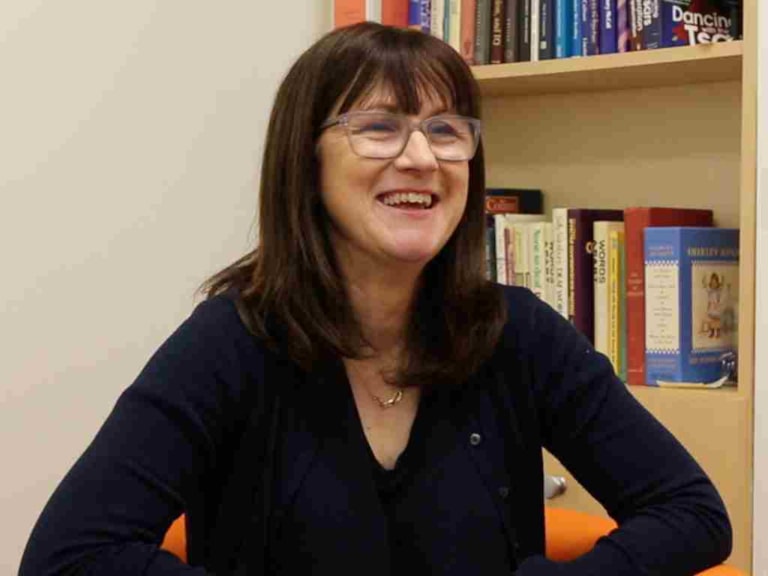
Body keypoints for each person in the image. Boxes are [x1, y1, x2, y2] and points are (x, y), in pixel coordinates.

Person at [19, 22, 731, 576]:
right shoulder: (232, 341)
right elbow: (70, 557)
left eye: (446, 131)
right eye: (379, 126)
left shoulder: (517, 333)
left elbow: (692, 513)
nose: (421, 158)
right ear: (306, 160)